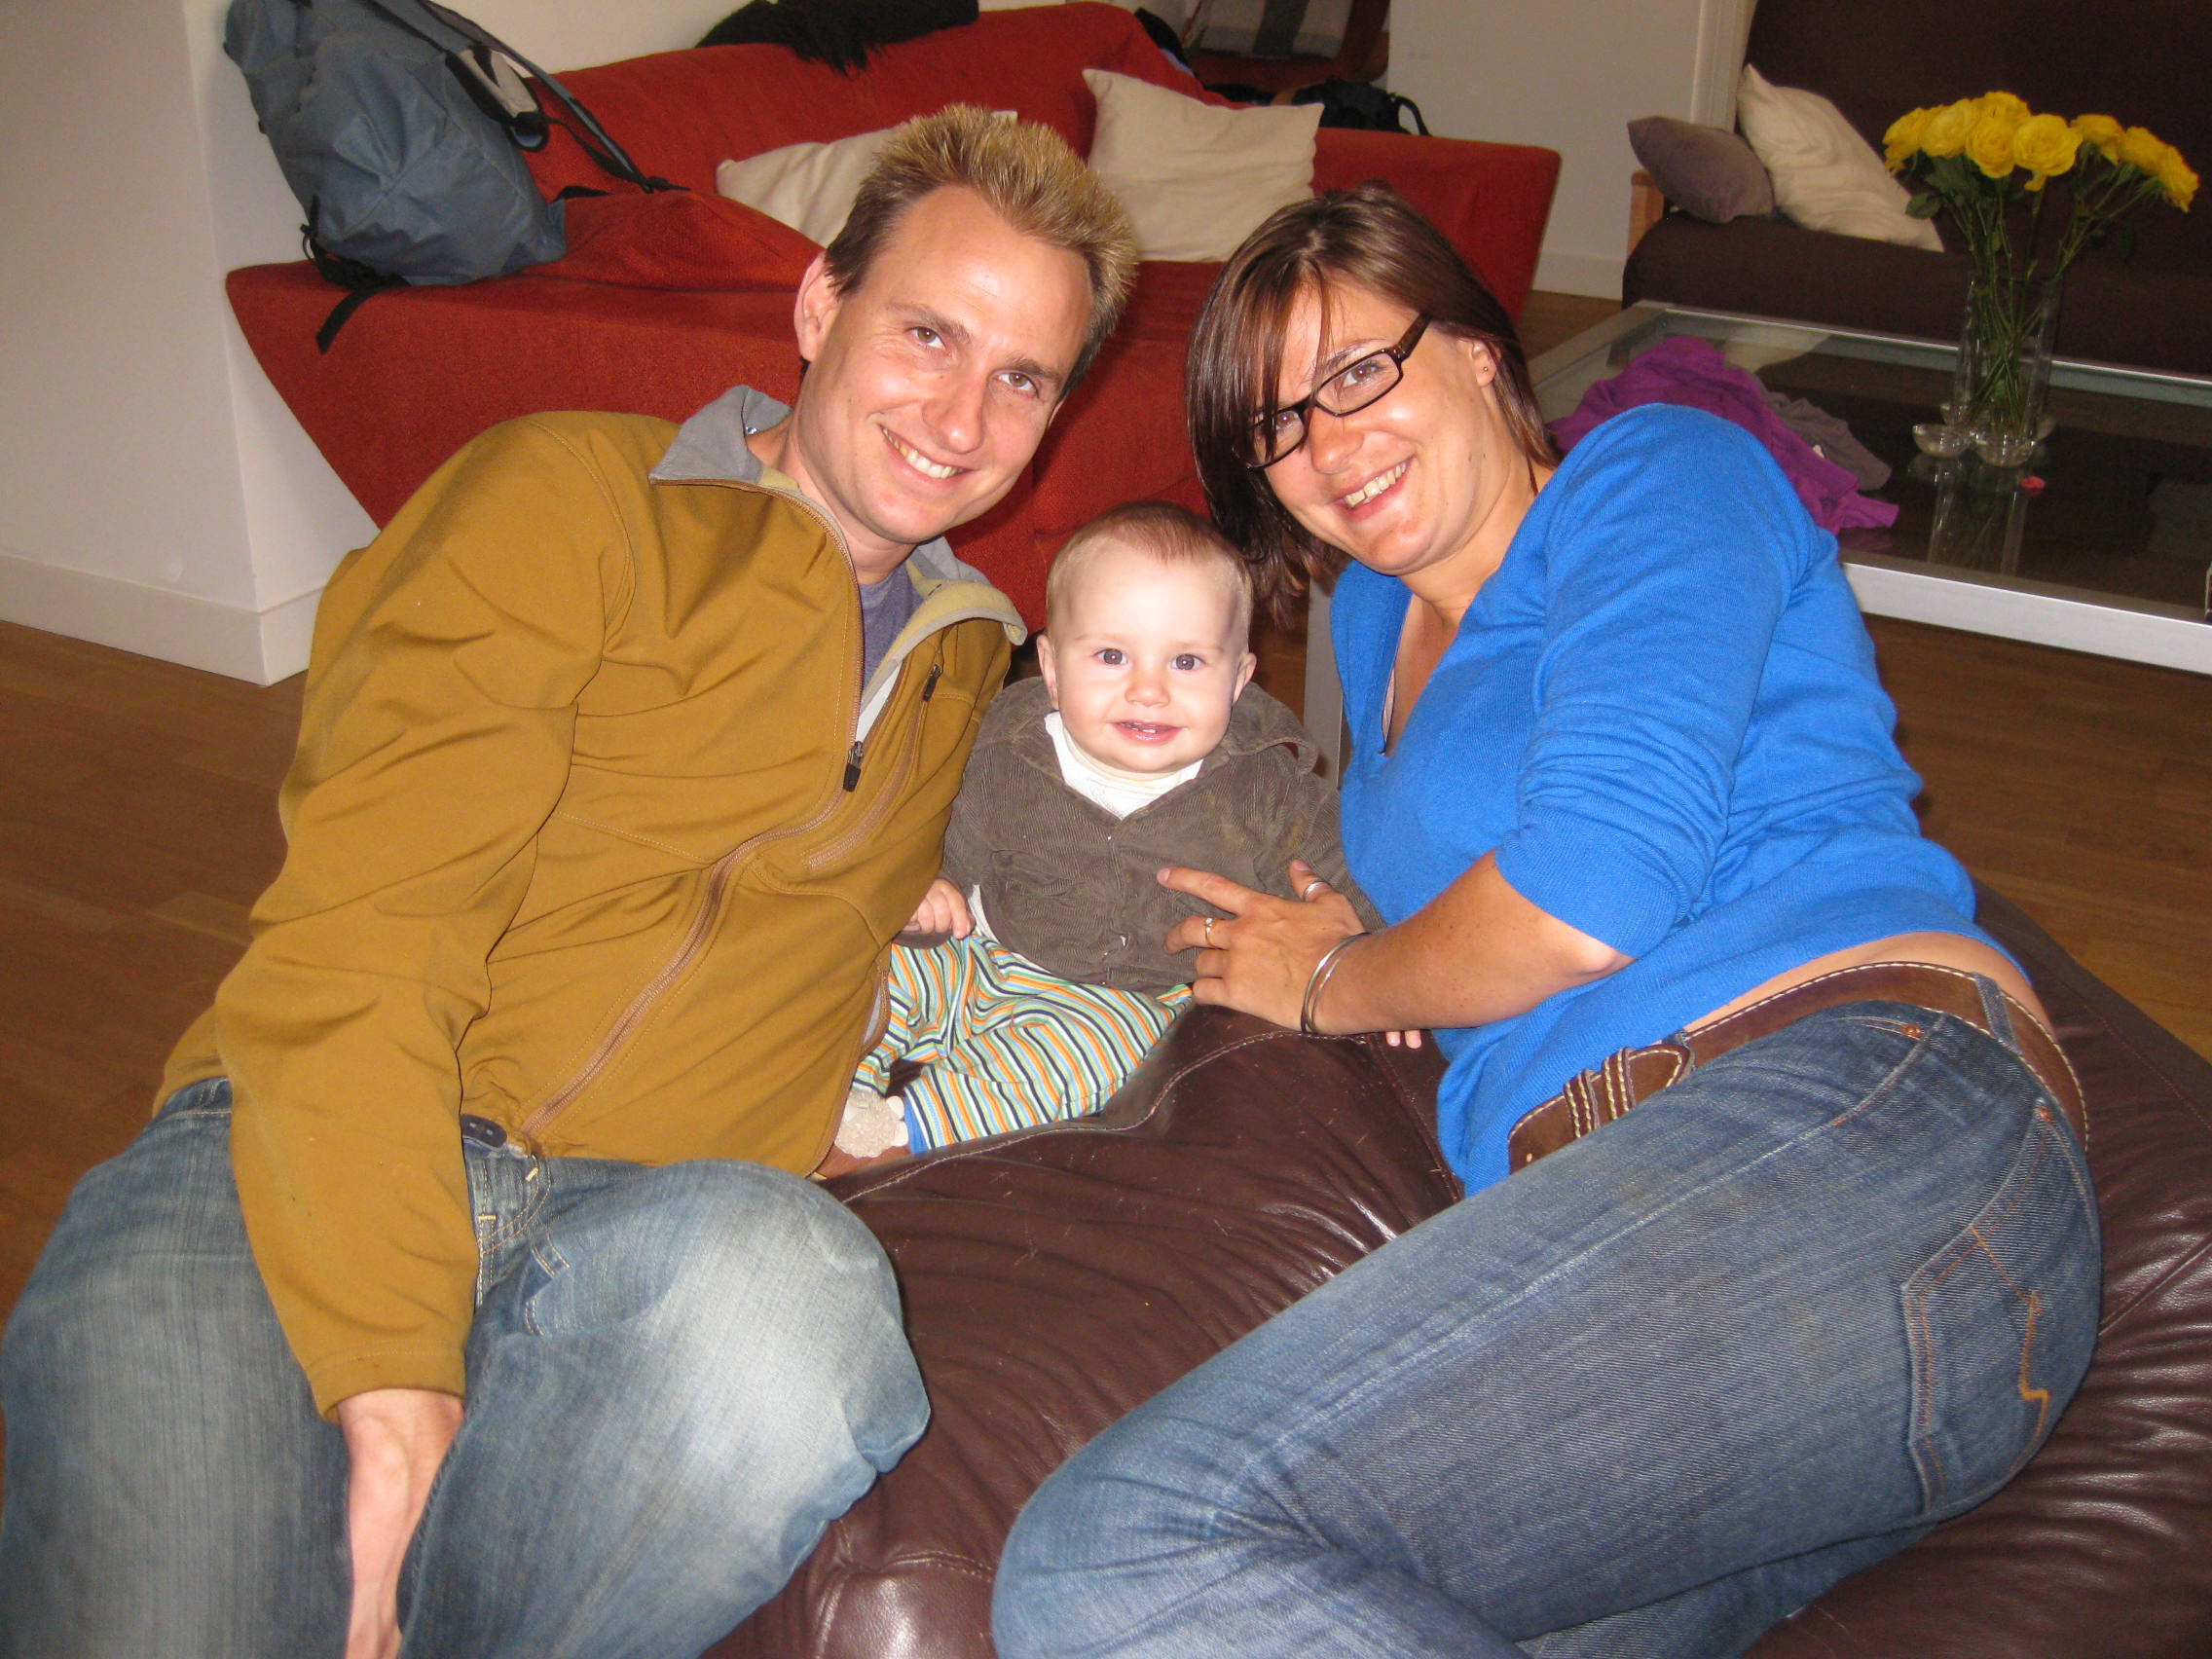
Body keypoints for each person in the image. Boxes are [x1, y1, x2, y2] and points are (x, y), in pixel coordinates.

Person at [0, 107, 1135, 1659]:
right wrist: (393, 1361)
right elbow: (362, 926)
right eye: (927, 333)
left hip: (645, 1231)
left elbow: (1135, 817)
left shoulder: (978, 669)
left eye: (1023, 377)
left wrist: (1321, 922)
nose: (961, 414)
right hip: (299, 1152)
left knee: (799, 1304)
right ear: (820, 306)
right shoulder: (570, 499)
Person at [991, 185, 2101, 1658]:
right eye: (1276, 426)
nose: (1327, 446)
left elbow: (1589, 891)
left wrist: (1337, 979)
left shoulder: (1658, 473)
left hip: (1855, 1125)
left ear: (1476, 351)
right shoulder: (1370, 616)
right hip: (1667, 1266)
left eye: (1358, 372)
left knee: (1120, 1552)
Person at [836, 500, 1382, 1159]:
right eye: (1112, 655)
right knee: (868, 964)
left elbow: (1339, 872)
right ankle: (838, 1089)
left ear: (1239, 679)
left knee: (1092, 1059)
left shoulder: (1264, 786)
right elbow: (952, 833)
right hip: (979, 950)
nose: (1149, 690)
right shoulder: (1008, 745)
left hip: (1118, 999)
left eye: (1187, 663)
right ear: (1052, 669)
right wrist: (936, 887)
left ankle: (904, 1127)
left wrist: (1376, 960)